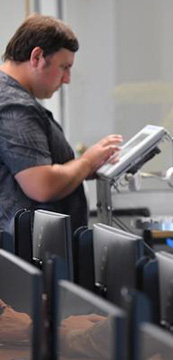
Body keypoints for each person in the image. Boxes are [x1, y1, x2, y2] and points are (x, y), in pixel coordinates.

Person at [0, 14, 122, 232]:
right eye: (64, 67)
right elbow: (42, 186)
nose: (67, 79)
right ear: (37, 57)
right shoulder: (15, 106)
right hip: (28, 256)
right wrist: (87, 161)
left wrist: (85, 169)